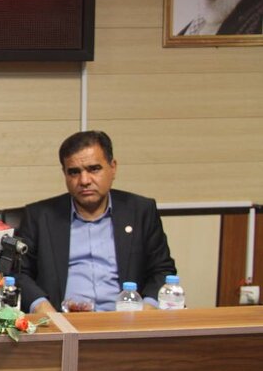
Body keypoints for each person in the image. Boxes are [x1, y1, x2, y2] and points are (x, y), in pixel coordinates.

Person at [15, 131, 177, 313]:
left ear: (113, 168)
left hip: (127, 320)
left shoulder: (140, 211)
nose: (84, 180)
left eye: (94, 169)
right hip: (62, 321)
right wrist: (42, 308)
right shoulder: (39, 216)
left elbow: (162, 270)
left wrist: (147, 310)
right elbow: (19, 273)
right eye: (74, 172)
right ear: (64, 174)